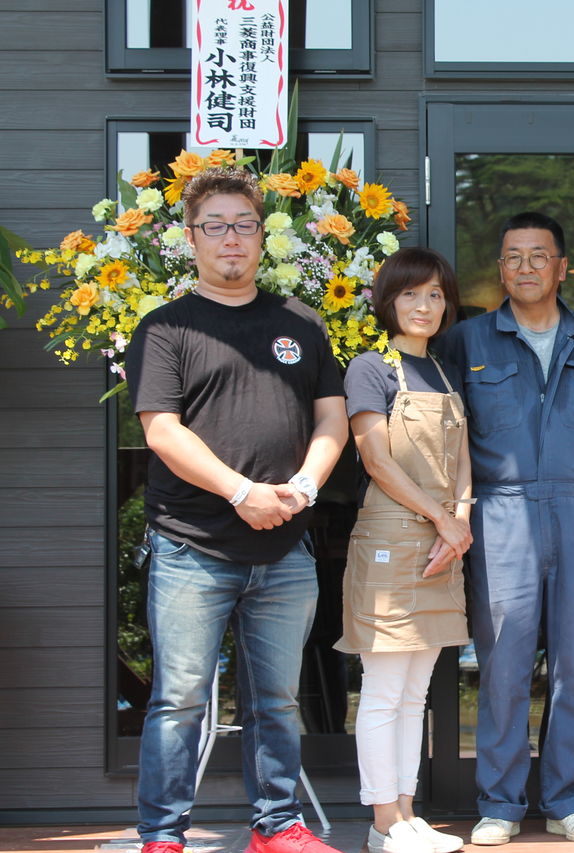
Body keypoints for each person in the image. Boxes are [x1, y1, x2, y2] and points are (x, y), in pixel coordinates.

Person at [124, 168, 348, 853]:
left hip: (285, 548)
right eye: (215, 226)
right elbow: (162, 431)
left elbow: (332, 419)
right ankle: (163, 834)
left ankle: (277, 826)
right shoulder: (165, 328)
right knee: (179, 700)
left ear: (261, 235)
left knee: (276, 700)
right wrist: (242, 492)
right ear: (191, 238)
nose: (231, 238)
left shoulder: (300, 322)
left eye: (244, 225)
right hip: (191, 545)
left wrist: (303, 488)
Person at [438, 211, 574, 845]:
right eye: (513, 257)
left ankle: (569, 800)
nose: (526, 267)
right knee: (504, 665)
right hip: (500, 513)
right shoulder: (466, 342)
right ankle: (500, 803)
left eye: (538, 256)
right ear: (500, 269)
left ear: (561, 267)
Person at [336, 248, 473, 853]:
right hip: (393, 538)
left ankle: (408, 814)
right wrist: (444, 519)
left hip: (444, 541)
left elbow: (463, 460)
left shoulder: (443, 371)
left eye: (435, 295)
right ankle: (383, 821)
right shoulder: (370, 369)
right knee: (385, 689)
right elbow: (376, 460)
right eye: (411, 294)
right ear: (388, 301)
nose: (424, 306)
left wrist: (461, 519)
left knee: (416, 693)